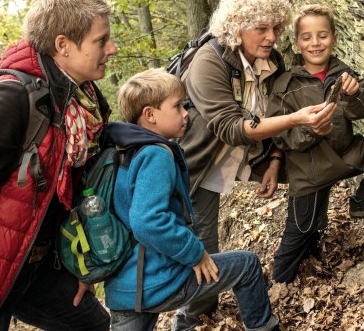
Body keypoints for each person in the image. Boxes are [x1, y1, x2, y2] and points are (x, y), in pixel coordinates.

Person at [178, 0, 336, 330]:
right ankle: (192, 318)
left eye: (276, 28)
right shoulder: (209, 61)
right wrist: (297, 119)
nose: (271, 37)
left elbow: (277, 111)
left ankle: (303, 243)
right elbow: (231, 128)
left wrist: (276, 159)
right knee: (204, 246)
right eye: (261, 28)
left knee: (314, 160)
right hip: (196, 166)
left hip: (250, 153)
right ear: (236, 27)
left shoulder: (271, 60)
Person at [104, 68, 281, 331]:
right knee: (247, 265)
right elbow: (147, 221)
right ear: (149, 115)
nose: (186, 113)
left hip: (125, 287)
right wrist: (194, 253)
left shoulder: (123, 153)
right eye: (177, 107)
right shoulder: (156, 154)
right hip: (160, 279)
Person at [0, 0, 117, 329]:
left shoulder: (81, 101)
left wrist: (78, 264)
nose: (112, 49)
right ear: (63, 45)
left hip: (39, 267)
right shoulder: (15, 98)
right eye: (101, 41)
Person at [266, 4, 364, 284]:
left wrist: (355, 95)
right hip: (311, 171)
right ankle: (277, 285)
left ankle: (363, 198)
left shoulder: (342, 72)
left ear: (334, 38)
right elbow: (281, 137)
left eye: (322, 35)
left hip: (348, 154)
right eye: (307, 37)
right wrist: (312, 131)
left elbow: (363, 110)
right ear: (296, 42)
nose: (315, 43)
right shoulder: (285, 85)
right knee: (301, 232)